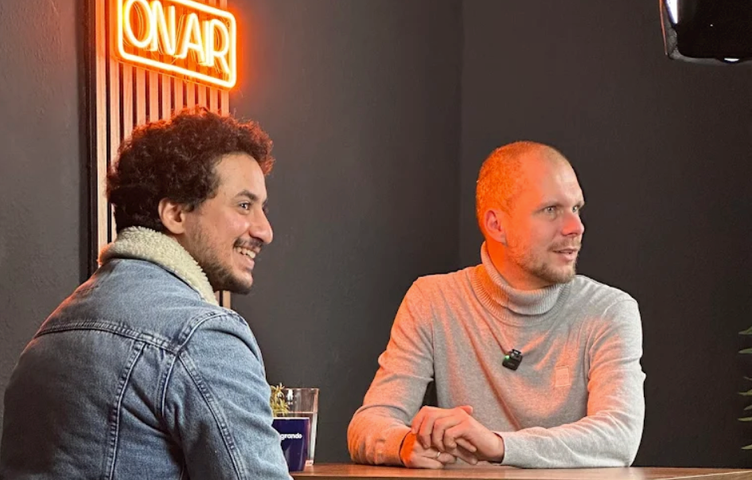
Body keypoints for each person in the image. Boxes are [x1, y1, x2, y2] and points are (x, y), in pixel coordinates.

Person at [0, 109, 291, 479]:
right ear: (175, 214)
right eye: (244, 205)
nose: (265, 230)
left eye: (262, 208)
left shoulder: (48, 336)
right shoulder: (202, 336)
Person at [348, 141, 645, 469]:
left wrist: (497, 444)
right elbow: (370, 422)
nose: (576, 227)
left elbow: (619, 435)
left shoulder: (609, 310)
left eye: (575, 208)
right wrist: (404, 444)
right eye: (551, 210)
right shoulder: (432, 300)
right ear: (496, 225)